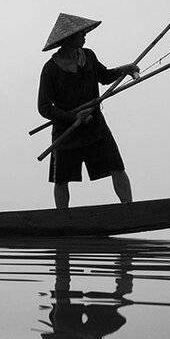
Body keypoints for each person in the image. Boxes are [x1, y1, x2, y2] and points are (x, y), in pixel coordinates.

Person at [37, 13, 139, 210]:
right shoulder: (50, 69)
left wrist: (124, 69)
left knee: (116, 166)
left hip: (94, 125)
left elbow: (105, 76)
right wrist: (72, 116)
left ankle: (129, 209)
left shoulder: (89, 56)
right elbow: (44, 107)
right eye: (80, 34)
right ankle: (62, 219)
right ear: (67, 39)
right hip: (66, 130)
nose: (85, 36)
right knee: (61, 178)